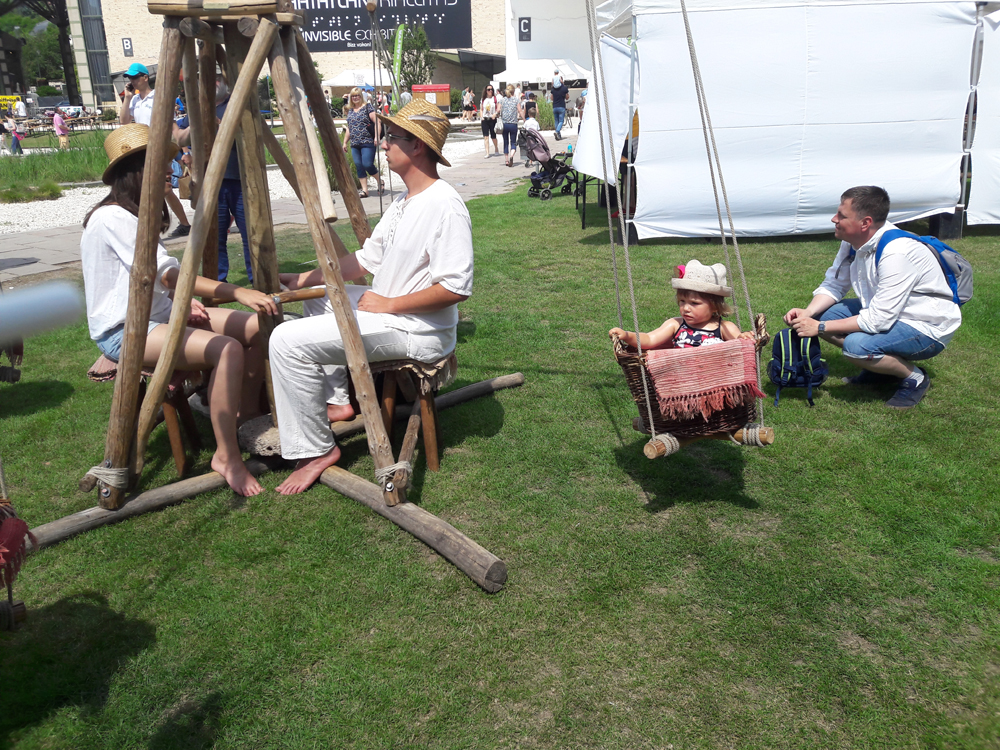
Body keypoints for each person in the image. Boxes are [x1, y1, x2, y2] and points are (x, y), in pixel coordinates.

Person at [270, 99, 473, 495]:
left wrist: (389, 304)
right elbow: (365, 260)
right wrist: (303, 279)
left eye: (391, 138)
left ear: (417, 146)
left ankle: (315, 450)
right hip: (391, 311)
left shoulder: (445, 206)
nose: (382, 144)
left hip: (419, 330)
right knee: (320, 298)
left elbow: (455, 288)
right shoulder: (404, 201)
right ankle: (338, 401)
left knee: (285, 342)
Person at [80, 124, 278, 495]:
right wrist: (237, 290)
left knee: (255, 326)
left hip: (158, 316)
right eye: (165, 166)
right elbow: (168, 276)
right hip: (124, 331)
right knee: (227, 348)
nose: (173, 172)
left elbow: (151, 283)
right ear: (140, 171)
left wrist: (182, 305)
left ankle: (245, 417)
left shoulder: (134, 213)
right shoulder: (113, 218)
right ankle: (227, 455)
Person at [784, 186, 961, 409]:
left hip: (926, 326)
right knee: (821, 313)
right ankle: (880, 369)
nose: (833, 219)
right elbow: (835, 284)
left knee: (855, 346)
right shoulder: (852, 241)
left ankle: (914, 378)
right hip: (889, 312)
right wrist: (809, 314)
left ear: (865, 223)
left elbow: (878, 320)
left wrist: (819, 328)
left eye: (841, 216)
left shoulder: (896, 253)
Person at [174, 74, 250, 280]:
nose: (212, 82)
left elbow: (249, 133)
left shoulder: (238, 102)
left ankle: (259, 278)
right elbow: (178, 133)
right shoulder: (199, 109)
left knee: (251, 233)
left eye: (217, 78)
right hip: (210, 181)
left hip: (240, 178)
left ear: (225, 81)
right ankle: (218, 281)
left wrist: (221, 124)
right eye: (208, 78)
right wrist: (187, 150)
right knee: (214, 235)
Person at [610, 260, 755, 350]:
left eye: (694, 303)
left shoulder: (724, 327)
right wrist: (627, 335)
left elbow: (738, 345)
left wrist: (743, 337)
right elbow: (649, 339)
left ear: (715, 306)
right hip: (682, 383)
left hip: (713, 382)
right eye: (682, 302)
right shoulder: (676, 324)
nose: (686, 308)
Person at [121, 63, 192, 240]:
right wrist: (128, 98)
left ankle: (159, 225)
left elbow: (172, 125)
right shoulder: (135, 101)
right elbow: (124, 121)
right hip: (141, 150)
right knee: (161, 190)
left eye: (136, 77)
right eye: (130, 78)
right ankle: (181, 224)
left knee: (160, 189)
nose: (133, 81)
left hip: (159, 149)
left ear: (145, 77)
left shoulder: (158, 98)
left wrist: (184, 151)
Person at [342, 86, 384, 198]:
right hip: (355, 143)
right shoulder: (350, 110)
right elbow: (349, 128)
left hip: (367, 141)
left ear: (361, 97)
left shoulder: (367, 108)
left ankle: (380, 180)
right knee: (359, 166)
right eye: (353, 96)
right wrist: (345, 142)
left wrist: (377, 137)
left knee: (367, 164)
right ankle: (365, 190)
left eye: (357, 95)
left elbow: (378, 122)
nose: (355, 98)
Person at [499, 84, 520, 167]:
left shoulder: (502, 100)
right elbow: (520, 110)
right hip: (513, 124)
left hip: (504, 124)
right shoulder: (516, 100)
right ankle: (512, 155)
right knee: (513, 142)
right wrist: (524, 119)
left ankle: (506, 160)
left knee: (506, 142)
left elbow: (498, 110)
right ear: (513, 91)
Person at [480, 84, 500, 158]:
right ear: (486, 91)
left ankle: (496, 148)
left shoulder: (495, 99)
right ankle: (487, 152)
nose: (490, 91)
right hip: (485, 119)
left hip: (492, 119)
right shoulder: (483, 99)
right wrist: (481, 117)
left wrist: (495, 113)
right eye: (488, 89)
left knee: (493, 136)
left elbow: (498, 108)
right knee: (486, 136)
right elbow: (481, 109)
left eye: (491, 89)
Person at [551, 75, 570, 140]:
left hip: (555, 106)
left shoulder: (553, 89)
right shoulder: (564, 88)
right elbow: (567, 97)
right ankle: (557, 131)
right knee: (561, 121)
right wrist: (563, 84)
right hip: (561, 106)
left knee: (556, 121)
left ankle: (558, 136)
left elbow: (551, 98)